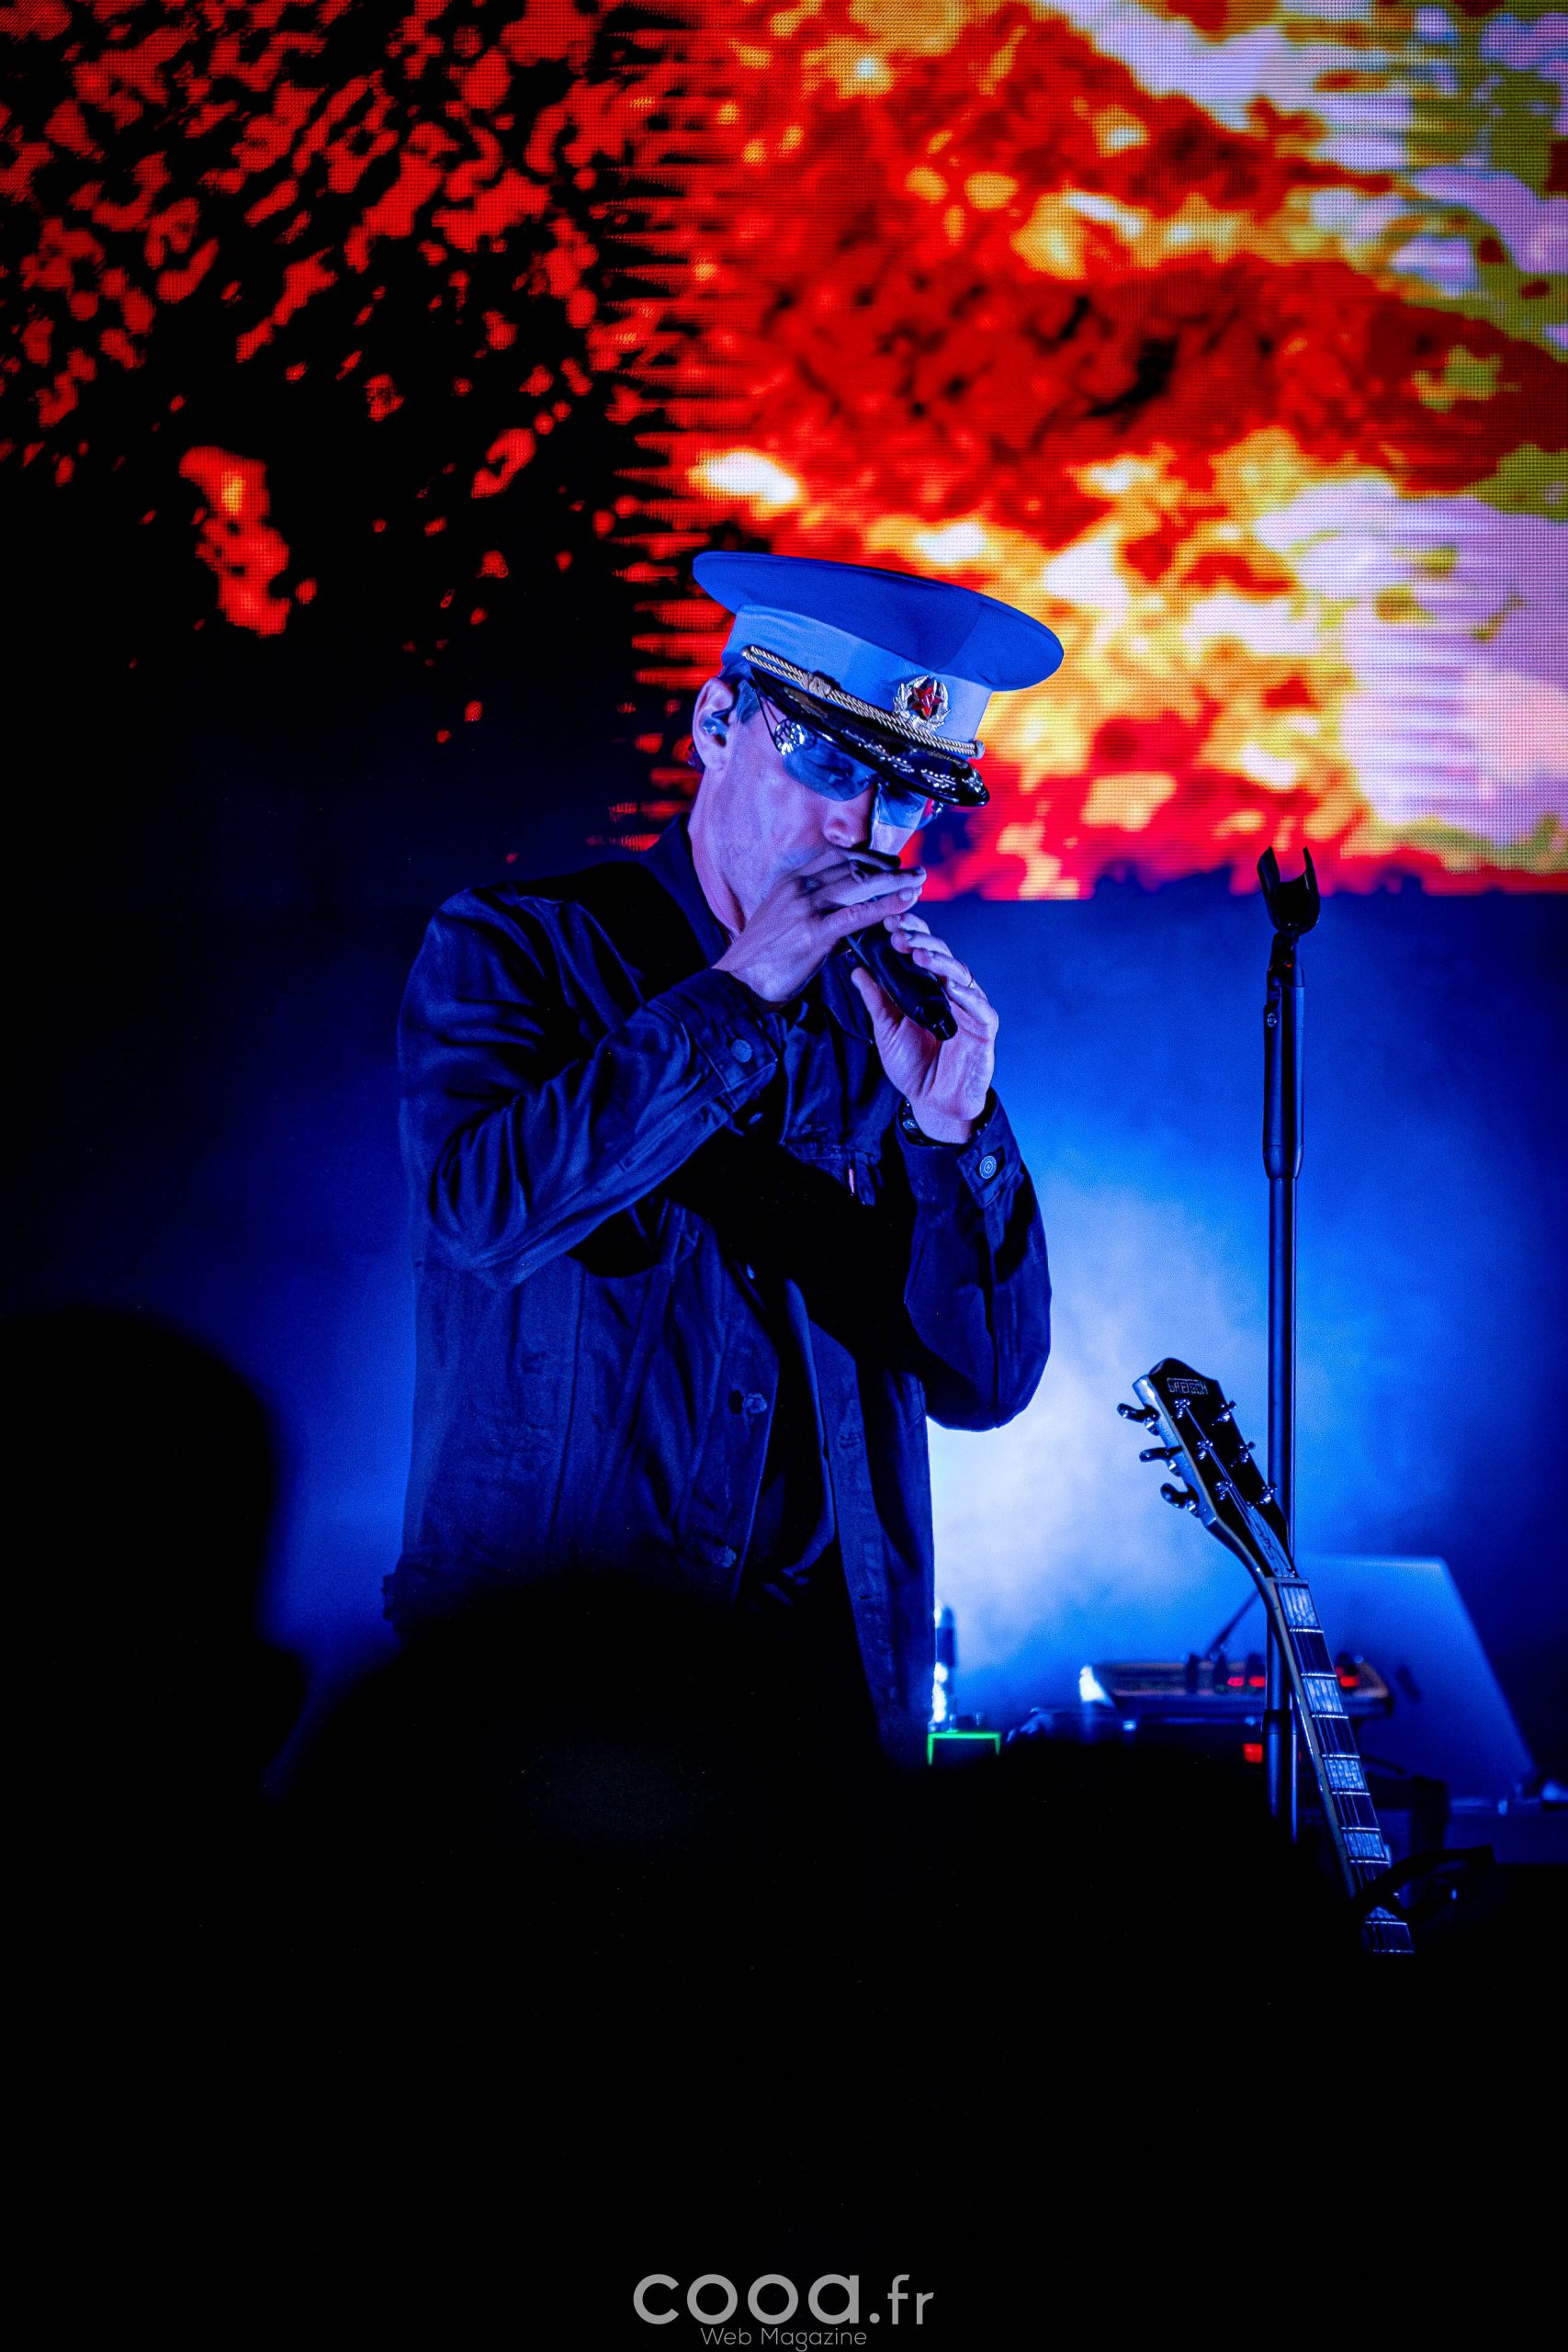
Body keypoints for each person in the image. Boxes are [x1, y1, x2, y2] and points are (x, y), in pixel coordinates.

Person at [387, 552, 1060, 1761]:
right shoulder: (519, 947)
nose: (862, 829)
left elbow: (986, 1385)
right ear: (715, 722)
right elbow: (480, 1213)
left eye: (908, 799)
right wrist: (739, 994)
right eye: (832, 766)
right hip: (555, 1701)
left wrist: (954, 1136)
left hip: (819, 1712)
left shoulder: (887, 1031)